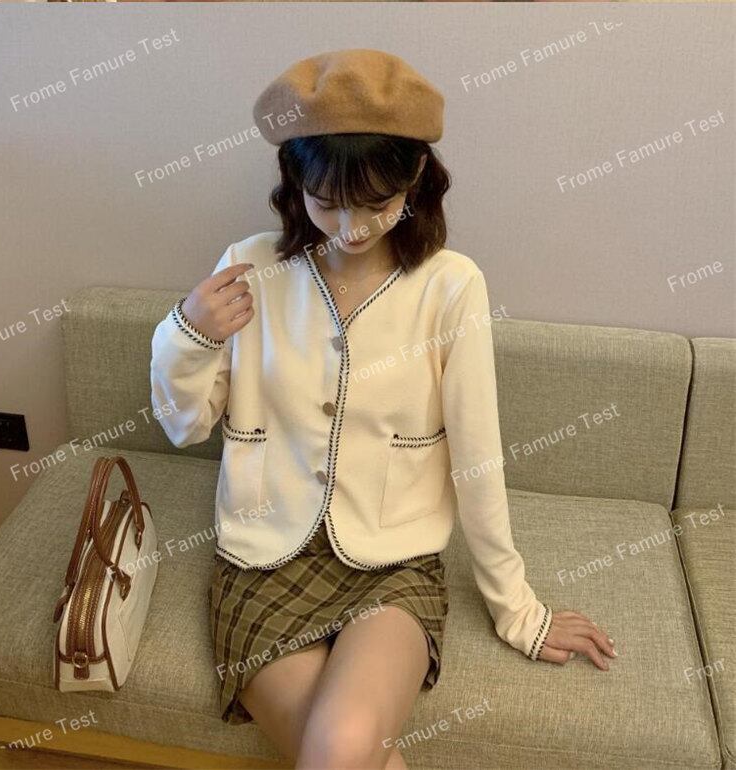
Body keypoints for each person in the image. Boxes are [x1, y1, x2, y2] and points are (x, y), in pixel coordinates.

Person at [150, 48, 616, 770]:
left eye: (375, 203)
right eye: (327, 201)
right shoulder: (251, 266)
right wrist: (187, 335)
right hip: (261, 556)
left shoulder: (450, 287)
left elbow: (477, 455)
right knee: (348, 753)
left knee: (340, 745)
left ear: (417, 177)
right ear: (294, 184)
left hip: (393, 561)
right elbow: (186, 426)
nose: (351, 228)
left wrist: (517, 607)